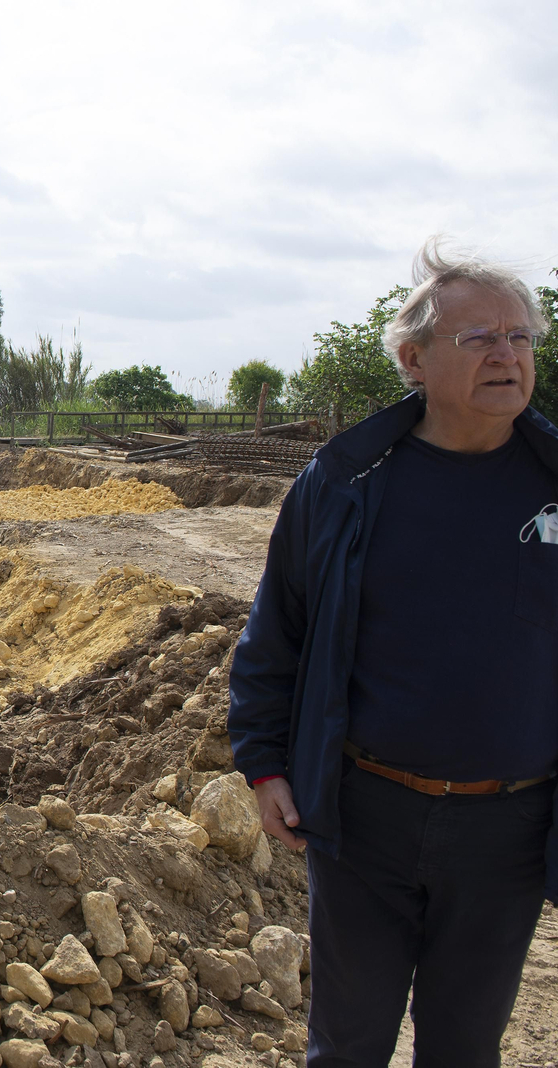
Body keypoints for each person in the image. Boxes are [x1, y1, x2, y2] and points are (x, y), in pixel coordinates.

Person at [228, 240, 558, 1067]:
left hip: (510, 828)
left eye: (521, 338)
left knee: (464, 1046)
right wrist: (266, 762)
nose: (507, 355)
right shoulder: (344, 485)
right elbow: (279, 629)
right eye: (479, 337)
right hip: (365, 814)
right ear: (414, 360)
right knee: (347, 1043)